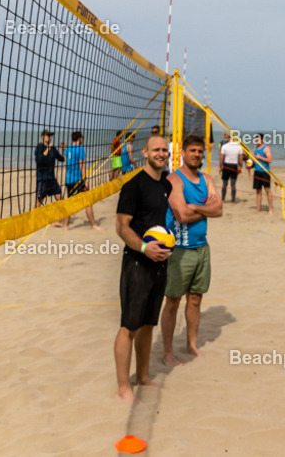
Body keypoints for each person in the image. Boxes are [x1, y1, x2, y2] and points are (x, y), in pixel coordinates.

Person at [113, 135, 173, 403]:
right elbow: (121, 227)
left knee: (149, 325)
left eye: (164, 150)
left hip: (160, 262)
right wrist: (144, 248)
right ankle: (123, 388)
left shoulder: (165, 185)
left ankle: (143, 376)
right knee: (130, 326)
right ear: (145, 152)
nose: (161, 153)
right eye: (156, 150)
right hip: (137, 262)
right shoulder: (134, 185)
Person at [161, 135, 223, 366]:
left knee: (196, 299)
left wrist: (195, 206)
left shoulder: (206, 179)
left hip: (201, 248)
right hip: (178, 250)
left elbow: (219, 210)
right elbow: (181, 215)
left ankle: (191, 344)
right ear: (183, 153)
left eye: (200, 151)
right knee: (173, 302)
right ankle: (168, 352)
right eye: (193, 151)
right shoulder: (174, 180)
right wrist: (206, 208)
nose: (197, 154)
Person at [63, 131, 102, 230]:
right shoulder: (80, 149)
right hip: (78, 180)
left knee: (69, 203)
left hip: (69, 180)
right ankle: (93, 225)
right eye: (82, 138)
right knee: (88, 202)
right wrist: (85, 180)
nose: (83, 139)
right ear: (79, 138)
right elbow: (82, 164)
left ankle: (66, 225)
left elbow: (66, 164)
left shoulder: (67, 149)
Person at [35, 129, 65, 227]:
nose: (50, 137)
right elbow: (39, 161)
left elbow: (61, 159)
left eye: (51, 135)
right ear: (42, 137)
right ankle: (33, 221)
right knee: (39, 202)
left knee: (60, 198)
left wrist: (63, 150)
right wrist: (47, 149)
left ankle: (58, 220)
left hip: (52, 179)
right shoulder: (39, 147)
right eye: (48, 135)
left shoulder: (53, 148)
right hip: (42, 179)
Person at [218, 133, 243, 202]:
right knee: (233, 184)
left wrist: (220, 166)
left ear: (228, 138)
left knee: (224, 183)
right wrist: (240, 166)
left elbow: (221, 157)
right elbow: (240, 159)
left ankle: (223, 199)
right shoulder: (239, 147)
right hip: (234, 166)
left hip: (226, 165)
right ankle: (233, 200)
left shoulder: (224, 146)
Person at [252, 134, 273, 214]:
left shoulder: (266, 148)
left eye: (257, 140)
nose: (256, 141)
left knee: (267, 190)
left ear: (262, 140)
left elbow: (270, 160)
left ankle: (270, 209)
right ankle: (258, 208)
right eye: (255, 140)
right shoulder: (255, 148)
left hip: (265, 172)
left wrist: (260, 157)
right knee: (258, 191)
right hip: (257, 171)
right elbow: (252, 159)